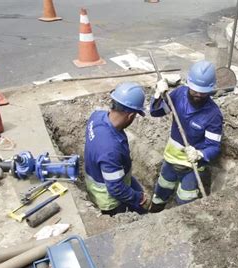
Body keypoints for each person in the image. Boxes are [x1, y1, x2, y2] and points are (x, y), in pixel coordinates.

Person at [148, 60, 223, 212]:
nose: (198, 94)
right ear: (189, 84)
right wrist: (158, 95)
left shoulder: (213, 115)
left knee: (186, 200)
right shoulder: (178, 95)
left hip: (192, 166)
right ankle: (154, 212)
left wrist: (200, 154)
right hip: (170, 159)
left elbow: (214, 147)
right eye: (195, 90)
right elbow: (156, 112)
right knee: (162, 187)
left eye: (203, 92)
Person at [84, 82, 147, 216]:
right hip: (109, 199)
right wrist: (138, 198)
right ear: (131, 116)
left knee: (138, 193)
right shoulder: (110, 149)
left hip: (102, 174)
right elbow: (116, 189)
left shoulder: (96, 116)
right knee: (133, 213)